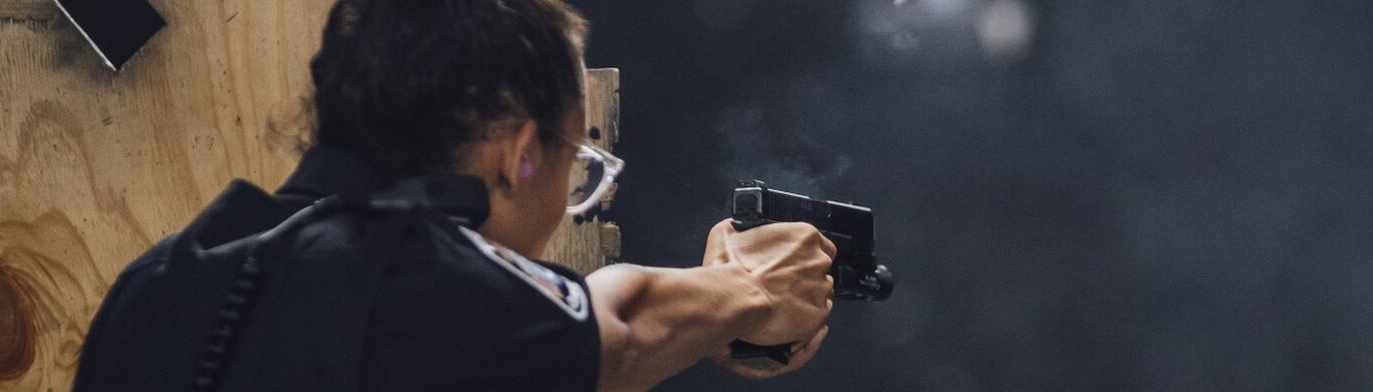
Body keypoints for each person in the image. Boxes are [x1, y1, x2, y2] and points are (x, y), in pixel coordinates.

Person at [73, 0, 835, 390]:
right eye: (572, 160)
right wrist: (747, 287)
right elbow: (620, 331)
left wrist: (721, 299)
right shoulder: (424, 290)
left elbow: (590, 310)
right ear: (517, 155)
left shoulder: (159, 285)